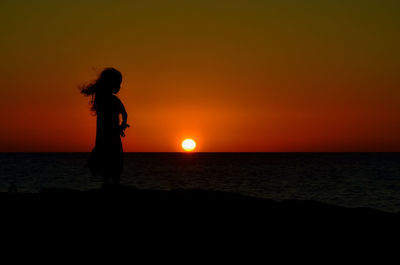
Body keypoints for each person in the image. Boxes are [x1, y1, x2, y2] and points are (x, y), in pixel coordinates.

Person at [80, 68, 129, 189]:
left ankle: (109, 182)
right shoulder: (109, 100)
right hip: (109, 135)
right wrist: (121, 126)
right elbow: (124, 114)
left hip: (105, 134)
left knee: (109, 157)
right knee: (114, 158)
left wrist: (121, 126)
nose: (119, 87)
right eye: (118, 84)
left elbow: (123, 115)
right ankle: (113, 183)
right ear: (111, 84)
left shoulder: (102, 100)